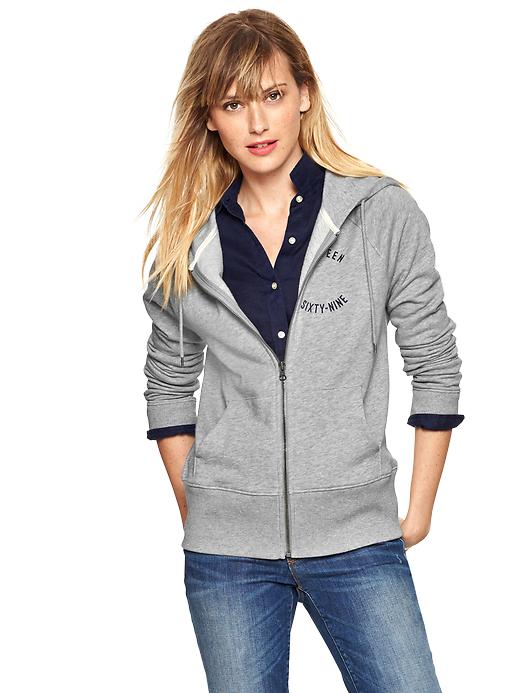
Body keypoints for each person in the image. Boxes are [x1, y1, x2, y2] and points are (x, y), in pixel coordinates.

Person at [140, 9, 464, 692]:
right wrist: (202, 510)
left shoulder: (379, 214)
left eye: (273, 95)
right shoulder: (188, 241)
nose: (258, 122)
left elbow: (434, 360)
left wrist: (417, 511)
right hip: (227, 559)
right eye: (234, 103)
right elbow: (169, 384)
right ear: (209, 117)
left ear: (305, 95)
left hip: (358, 538)